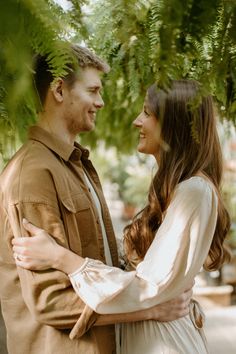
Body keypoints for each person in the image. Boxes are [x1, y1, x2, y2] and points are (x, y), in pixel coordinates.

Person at [12, 79, 231, 353]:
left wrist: (60, 258)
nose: (137, 122)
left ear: (174, 123)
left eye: (147, 114)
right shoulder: (175, 190)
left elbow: (147, 287)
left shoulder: (195, 191)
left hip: (165, 343)